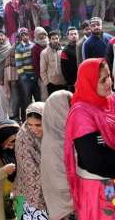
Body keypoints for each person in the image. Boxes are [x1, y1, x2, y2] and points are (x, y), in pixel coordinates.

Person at [64, 58, 115, 220]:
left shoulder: (112, 100)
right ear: (89, 82)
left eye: (108, 76)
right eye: (102, 80)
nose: (109, 82)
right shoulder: (81, 113)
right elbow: (92, 160)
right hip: (100, 185)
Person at [41, 90, 75, 220]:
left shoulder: (56, 135)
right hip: (66, 208)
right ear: (60, 111)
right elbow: (61, 182)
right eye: (70, 106)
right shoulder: (55, 143)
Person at [13, 102, 48, 220]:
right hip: (29, 197)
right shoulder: (23, 138)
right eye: (30, 124)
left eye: (38, 125)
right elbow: (32, 173)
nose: (33, 129)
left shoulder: (52, 131)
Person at [15, 28, 41, 119]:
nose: (24, 36)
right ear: (21, 37)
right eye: (22, 35)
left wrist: (37, 75)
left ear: (29, 35)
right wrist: (24, 77)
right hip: (26, 78)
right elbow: (19, 64)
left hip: (35, 76)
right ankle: (27, 119)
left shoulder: (33, 46)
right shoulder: (18, 48)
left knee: (38, 97)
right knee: (27, 100)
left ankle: (39, 117)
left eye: (26, 34)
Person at [40, 30, 66, 95]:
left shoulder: (63, 50)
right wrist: (47, 83)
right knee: (54, 104)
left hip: (64, 83)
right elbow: (43, 70)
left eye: (56, 38)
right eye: (53, 39)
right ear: (49, 40)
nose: (55, 40)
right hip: (52, 84)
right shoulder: (44, 53)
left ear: (59, 38)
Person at [32, 27, 49, 100]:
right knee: (45, 95)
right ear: (36, 36)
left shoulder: (49, 44)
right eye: (39, 34)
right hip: (42, 76)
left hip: (52, 74)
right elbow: (35, 64)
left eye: (43, 34)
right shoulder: (35, 48)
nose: (42, 36)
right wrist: (40, 76)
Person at [61, 27, 79, 92]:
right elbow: (64, 69)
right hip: (73, 82)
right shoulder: (65, 51)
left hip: (84, 79)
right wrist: (71, 83)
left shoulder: (82, 46)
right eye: (71, 34)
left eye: (75, 34)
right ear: (68, 36)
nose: (74, 36)